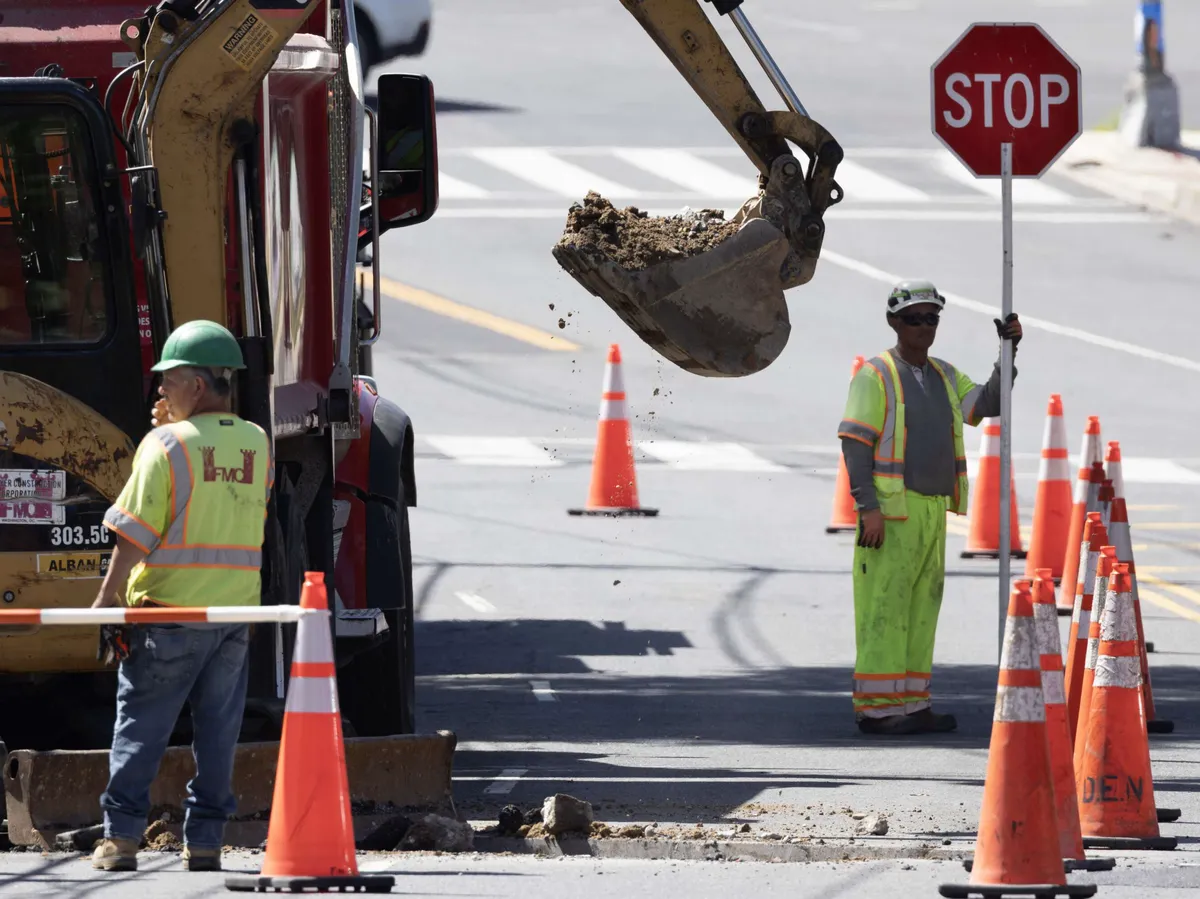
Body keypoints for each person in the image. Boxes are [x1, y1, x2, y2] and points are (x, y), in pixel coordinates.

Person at [89, 320, 273, 871]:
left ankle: (121, 839)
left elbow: (133, 532)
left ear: (196, 385)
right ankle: (207, 842)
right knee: (218, 735)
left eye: (168, 381)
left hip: (168, 615)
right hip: (232, 616)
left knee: (141, 730)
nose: (161, 391)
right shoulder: (256, 442)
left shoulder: (165, 445)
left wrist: (106, 600)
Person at [837, 280, 1021, 736]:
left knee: (922, 608)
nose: (923, 326)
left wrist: (1008, 353)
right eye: (914, 318)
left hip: (932, 513)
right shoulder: (875, 375)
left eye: (931, 318)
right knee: (884, 608)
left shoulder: (942, 374)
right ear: (894, 322)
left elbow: (985, 405)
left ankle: (914, 703)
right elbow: (855, 444)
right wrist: (869, 508)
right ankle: (878, 709)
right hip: (891, 515)